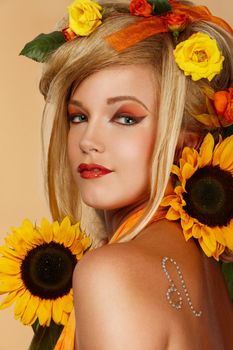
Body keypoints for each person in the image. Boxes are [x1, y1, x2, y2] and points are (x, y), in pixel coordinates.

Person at [21, 0, 233, 348]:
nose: (88, 141)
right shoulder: (211, 281)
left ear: (188, 139)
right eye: (78, 117)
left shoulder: (110, 274)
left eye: (126, 118)